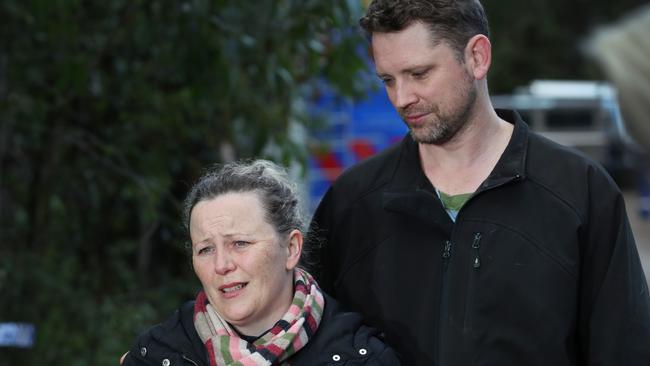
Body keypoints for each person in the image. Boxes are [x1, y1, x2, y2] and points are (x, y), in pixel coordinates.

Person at [308, 0, 650, 365]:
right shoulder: (352, 202)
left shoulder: (580, 191)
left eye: (419, 74)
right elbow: (310, 340)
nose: (401, 98)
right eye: (388, 80)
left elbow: (624, 348)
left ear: (477, 57)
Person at [121, 160, 400, 365]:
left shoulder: (362, 358)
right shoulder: (157, 354)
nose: (221, 265)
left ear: (291, 249)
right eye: (205, 249)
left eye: (240, 243)